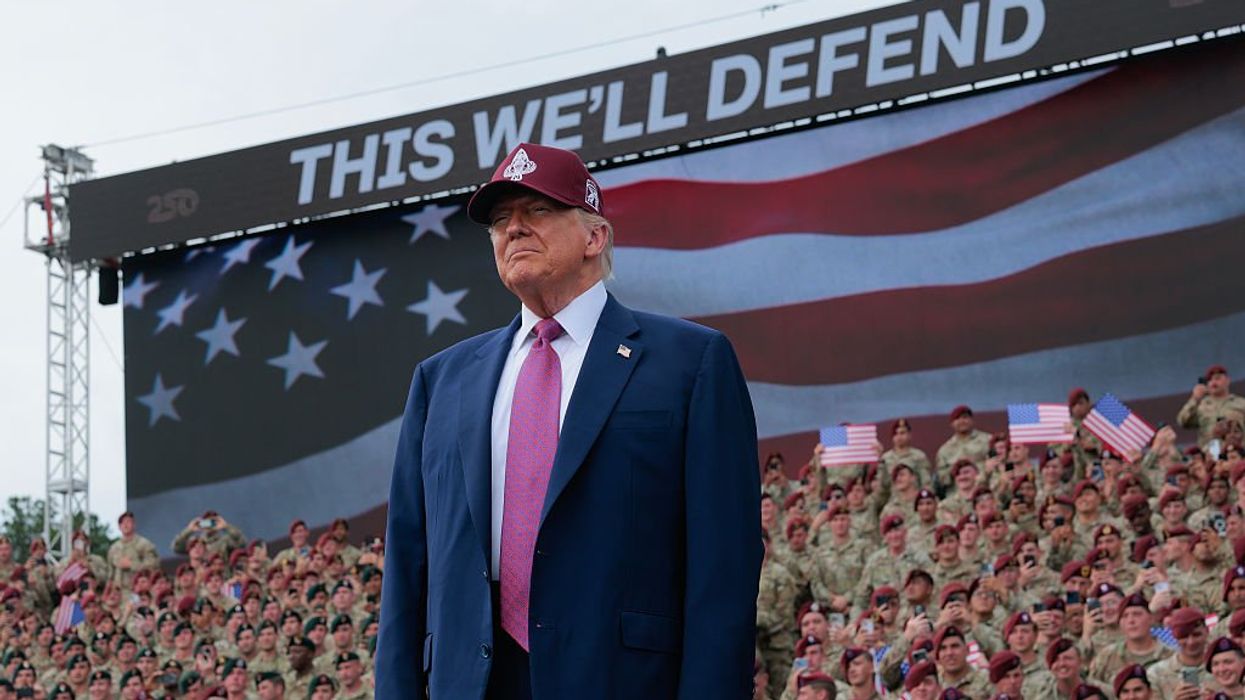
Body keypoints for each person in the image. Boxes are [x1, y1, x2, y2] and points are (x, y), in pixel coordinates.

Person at [377, 142, 762, 699]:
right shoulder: (442, 382)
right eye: (501, 220)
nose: (514, 229)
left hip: (622, 680)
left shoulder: (690, 362)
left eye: (538, 211)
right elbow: (408, 568)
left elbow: (723, 568)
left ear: (594, 236)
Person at [1177, 365, 1245, 448]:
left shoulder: (1241, 403)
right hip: (1209, 454)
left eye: (1217, 378)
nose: (1213, 383)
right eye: (1210, 380)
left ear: (1227, 380)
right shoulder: (1200, 405)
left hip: (1236, 454)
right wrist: (1194, 399)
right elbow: (1183, 422)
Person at [107, 512, 159, 591]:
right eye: (122, 523)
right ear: (119, 527)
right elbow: (110, 573)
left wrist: (132, 565)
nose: (125, 525)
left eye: (128, 522)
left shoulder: (144, 544)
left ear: (134, 525)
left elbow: (153, 566)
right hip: (118, 593)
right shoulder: (113, 549)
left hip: (138, 591)